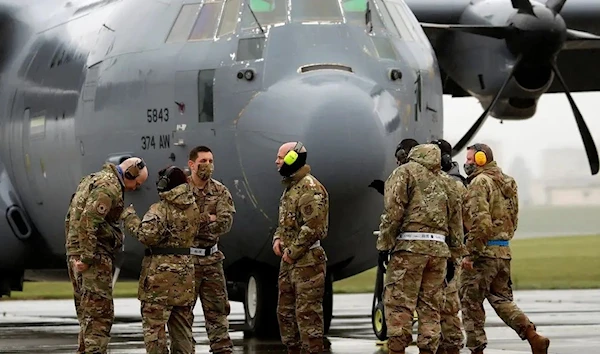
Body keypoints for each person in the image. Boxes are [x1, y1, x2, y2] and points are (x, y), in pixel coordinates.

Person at [460, 143, 550, 354]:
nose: (466, 164)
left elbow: (481, 223)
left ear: (482, 160)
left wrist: (470, 254)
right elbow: (514, 220)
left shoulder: (480, 183)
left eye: (470, 160)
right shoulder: (508, 182)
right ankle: (533, 337)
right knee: (502, 300)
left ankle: (477, 350)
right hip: (503, 251)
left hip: (482, 254)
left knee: (470, 303)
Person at [376, 143, 465, 354]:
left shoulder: (404, 173)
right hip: (438, 252)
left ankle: (398, 349)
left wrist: (384, 245)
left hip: (409, 250)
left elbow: (393, 214)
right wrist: (454, 257)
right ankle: (428, 350)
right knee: (431, 308)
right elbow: (456, 224)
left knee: (399, 304)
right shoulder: (448, 182)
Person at [65, 157, 148, 354]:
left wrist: (76, 253)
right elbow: (88, 221)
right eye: (136, 183)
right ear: (129, 174)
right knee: (100, 316)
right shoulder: (109, 188)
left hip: (77, 251)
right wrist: (86, 258)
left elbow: (73, 216)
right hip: (93, 256)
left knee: (87, 314)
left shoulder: (92, 179)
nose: (135, 188)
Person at [121, 166, 199, 353]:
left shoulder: (160, 210)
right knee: (183, 331)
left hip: (159, 281)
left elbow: (146, 236)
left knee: (155, 332)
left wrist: (129, 217)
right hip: (185, 277)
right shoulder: (194, 207)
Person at [272, 141, 329, 354]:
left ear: (292, 159)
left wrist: (292, 251)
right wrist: (278, 239)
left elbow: (313, 227)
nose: (276, 162)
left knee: (308, 316)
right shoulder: (290, 189)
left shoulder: (310, 188)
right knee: (285, 314)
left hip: (307, 262)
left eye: (280, 157)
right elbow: (285, 223)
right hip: (289, 262)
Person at [187, 145, 236, 353]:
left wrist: (198, 221)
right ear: (192, 164)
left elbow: (225, 223)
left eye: (210, 161)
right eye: (203, 162)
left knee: (217, 313)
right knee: (182, 314)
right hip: (186, 263)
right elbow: (178, 224)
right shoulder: (180, 191)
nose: (207, 166)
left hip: (211, 260)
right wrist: (209, 217)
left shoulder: (220, 191)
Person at [430, 139, 468, 354]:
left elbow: (463, 221)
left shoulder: (455, 183)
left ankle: (452, 346)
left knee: (449, 305)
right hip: (439, 251)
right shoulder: (437, 181)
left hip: (449, 252)